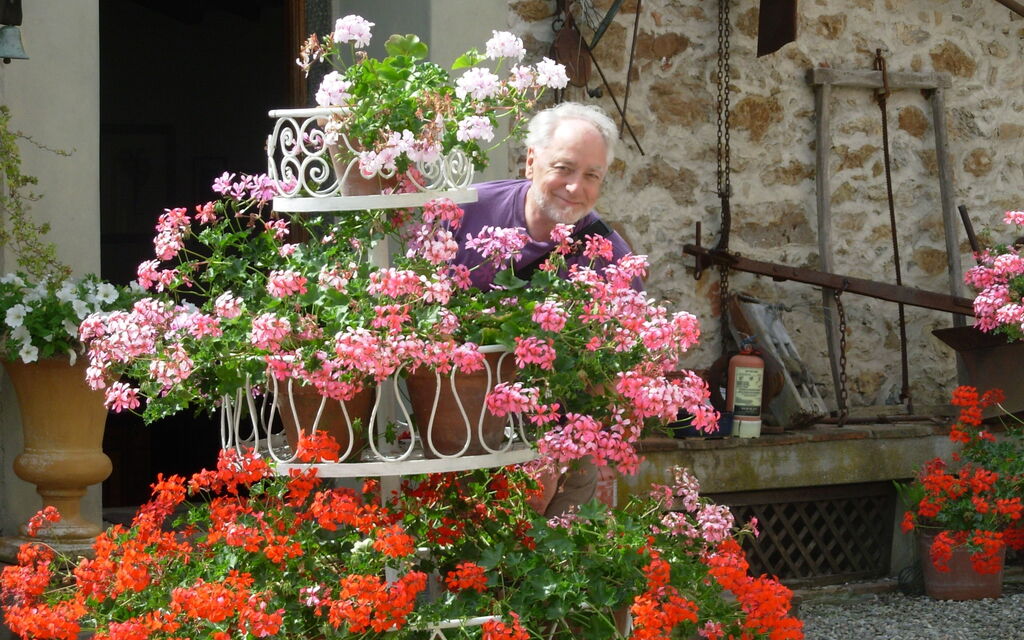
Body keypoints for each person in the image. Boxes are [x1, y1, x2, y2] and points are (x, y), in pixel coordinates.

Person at [452, 102, 640, 516]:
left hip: (555, 445)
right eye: (564, 168)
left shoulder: (611, 260)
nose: (576, 188)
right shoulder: (466, 212)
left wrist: (555, 453)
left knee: (546, 565)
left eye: (592, 176)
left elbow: (608, 378)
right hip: (450, 429)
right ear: (531, 161)